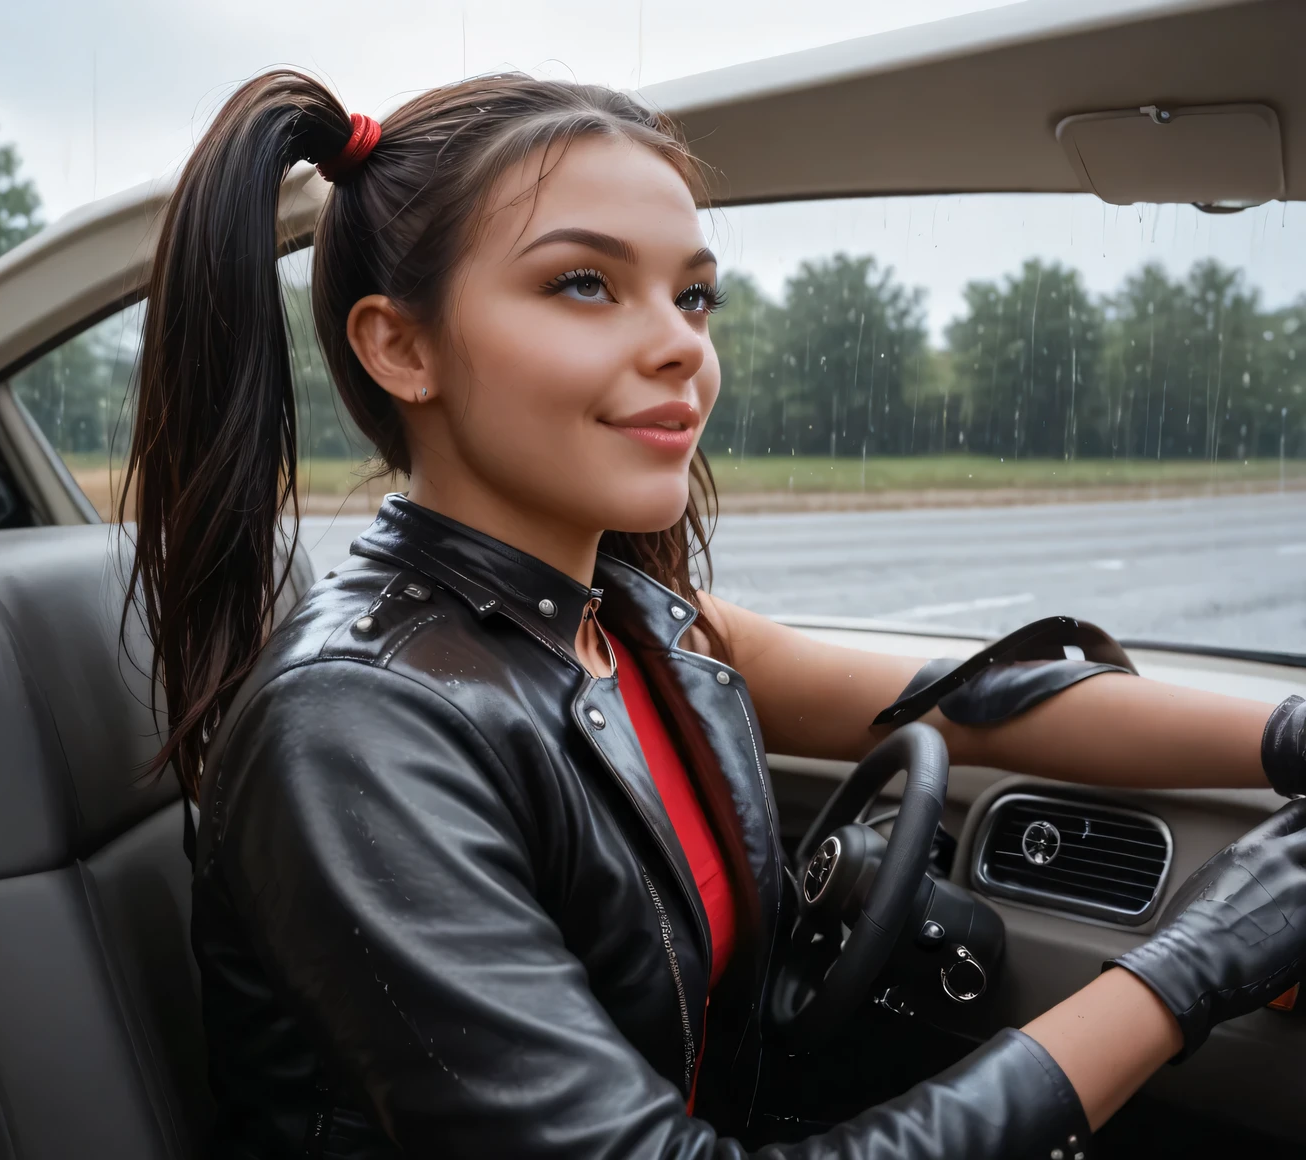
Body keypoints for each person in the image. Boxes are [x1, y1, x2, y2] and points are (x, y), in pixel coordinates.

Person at [121, 69, 1306, 1159]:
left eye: (693, 296)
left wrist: (1278, 738)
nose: (681, 347)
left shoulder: (626, 615)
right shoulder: (356, 725)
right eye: (583, 282)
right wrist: (1185, 972)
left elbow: (963, 705)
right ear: (399, 345)